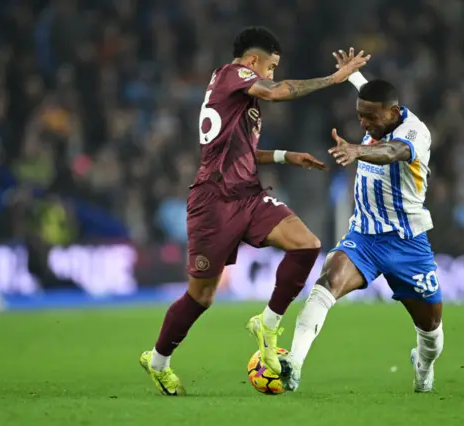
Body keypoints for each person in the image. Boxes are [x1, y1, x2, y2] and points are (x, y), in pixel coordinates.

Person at [139, 29, 369, 396]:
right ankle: (158, 361)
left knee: (307, 244)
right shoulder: (234, 75)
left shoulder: (236, 98)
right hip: (213, 202)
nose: (272, 75)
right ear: (251, 62)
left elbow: (240, 152)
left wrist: (285, 156)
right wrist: (334, 79)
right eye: (271, 67)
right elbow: (277, 92)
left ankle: (268, 322)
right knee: (201, 297)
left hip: (247, 195)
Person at [283, 48, 444, 393]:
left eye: (370, 120)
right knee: (326, 283)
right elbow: (369, 97)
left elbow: (392, 152)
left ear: (395, 113)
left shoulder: (416, 132)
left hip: (407, 242)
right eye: (360, 117)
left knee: (431, 332)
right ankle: (292, 365)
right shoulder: (378, 111)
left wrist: (357, 150)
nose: (364, 125)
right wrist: (352, 75)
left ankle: (423, 362)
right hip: (365, 237)